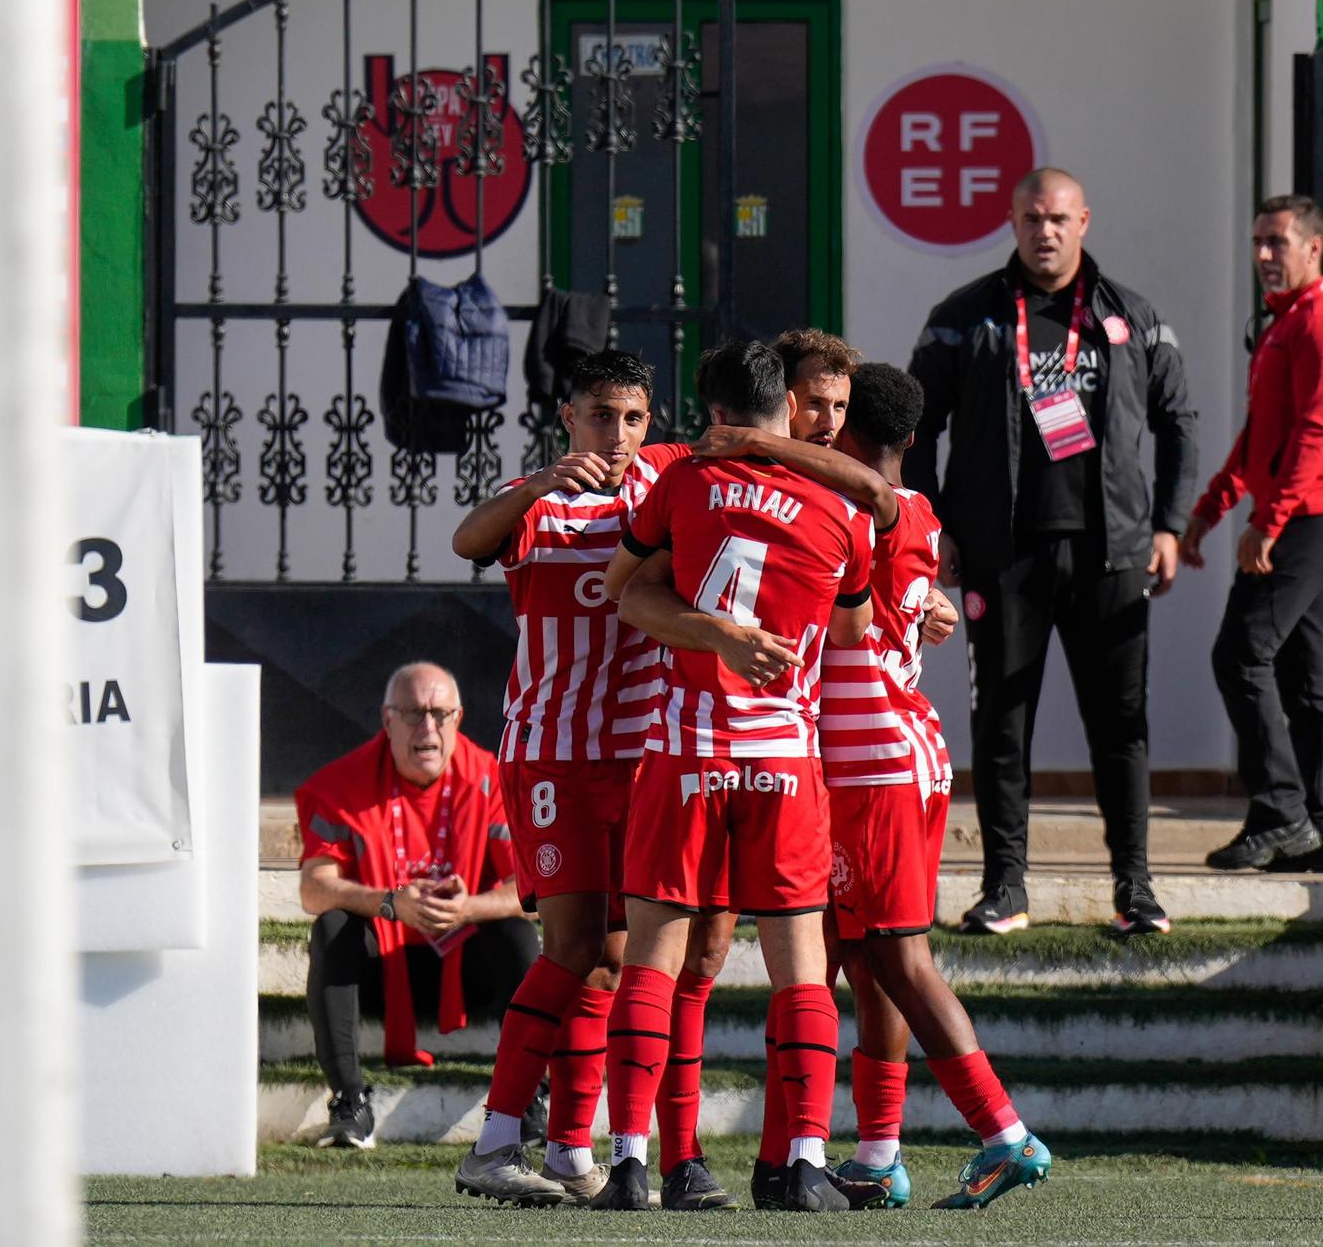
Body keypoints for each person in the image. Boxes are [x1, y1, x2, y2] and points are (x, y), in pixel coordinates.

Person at [692, 363, 1051, 1210]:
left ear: (849, 436)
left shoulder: (856, 504)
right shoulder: (921, 509)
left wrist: (749, 443)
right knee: (862, 958)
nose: (817, 427)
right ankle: (880, 1152)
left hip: (871, 762)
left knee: (896, 955)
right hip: (897, 750)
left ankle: (1003, 1133)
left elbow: (862, 513)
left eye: (832, 415)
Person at [448, 350, 736, 1212]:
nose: (619, 434)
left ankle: (575, 1150)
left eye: (635, 417)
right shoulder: (538, 503)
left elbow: (750, 454)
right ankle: (496, 1141)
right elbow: (467, 540)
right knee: (572, 949)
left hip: (646, 757)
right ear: (569, 417)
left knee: (611, 962)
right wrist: (539, 482)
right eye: (602, 415)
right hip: (554, 755)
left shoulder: (669, 479)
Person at [605, 338, 886, 1214]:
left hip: (687, 750)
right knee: (801, 969)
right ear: (791, 414)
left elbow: (627, 590)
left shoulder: (683, 484)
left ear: (718, 417)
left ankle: (630, 1164)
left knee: (653, 959)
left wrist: (715, 632)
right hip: (785, 762)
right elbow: (850, 633)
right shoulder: (844, 516)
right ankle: (800, 1162)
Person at [908, 166, 1197, 936]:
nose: (1046, 232)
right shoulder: (965, 317)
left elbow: (1180, 420)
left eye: (1060, 219)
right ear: (1012, 221)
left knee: (1121, 724)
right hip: (1003, 554)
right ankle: (1006, 886)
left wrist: (1168, 525)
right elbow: (914, 426)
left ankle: (1134, 887)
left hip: (1112, 553)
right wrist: (931, 525)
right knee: (1002, 721)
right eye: (1033, 218)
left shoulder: (1128, 315)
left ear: (1085, 222)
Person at [1184, 195, 1323, 872]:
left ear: (1314, 248)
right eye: (1258, 241)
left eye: (1278, 243)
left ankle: (1281, 813)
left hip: (1312, 519)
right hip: (1308, 516)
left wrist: (1267, 522)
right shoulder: (1288, 323)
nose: (1264, 256)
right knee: (1307, 674)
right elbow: (1262, 436)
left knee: (1240, 655)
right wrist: (1212, 507)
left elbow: (1321, 436)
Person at [295, 661, 534, 1152]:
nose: (428, 728)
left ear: (459, 717)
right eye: (413, 713)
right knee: (334, 925)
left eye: (440, 714)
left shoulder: (494, 780)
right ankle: (349, 1102)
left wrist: (471, 908)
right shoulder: (344, 785)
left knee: (517, 934)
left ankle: (528, 1102)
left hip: (466, 969)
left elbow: (531, 892)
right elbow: (314, 890)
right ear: (387, 720)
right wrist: (387, 903)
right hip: (381, 966)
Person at [779, 327, 854, 447]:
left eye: (839, 406)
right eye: (815, 403)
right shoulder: (743, 465)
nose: (830, 424)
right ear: (781, 402)